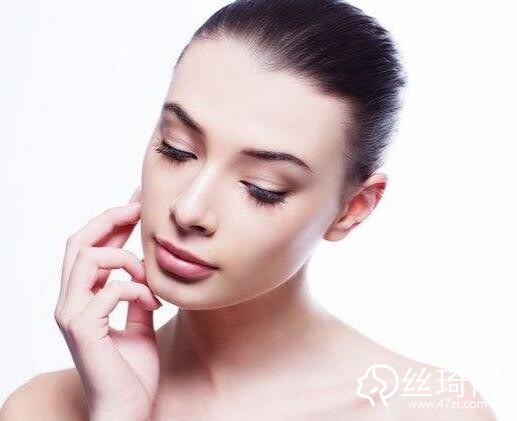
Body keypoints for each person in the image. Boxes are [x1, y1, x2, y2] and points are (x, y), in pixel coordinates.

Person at [0, 0, 497, 420]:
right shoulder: (44, 409)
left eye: (263, 188)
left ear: (352, 208)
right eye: (177, 149)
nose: (189, 209)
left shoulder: (428, 411)